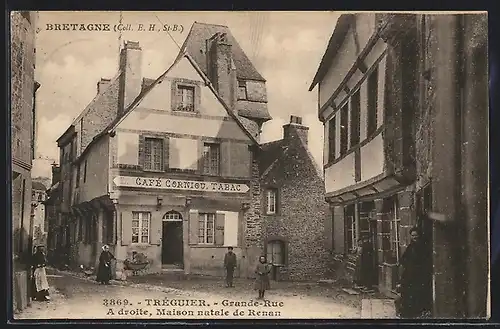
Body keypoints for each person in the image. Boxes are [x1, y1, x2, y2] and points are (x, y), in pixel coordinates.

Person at [397, 227, 429, 318]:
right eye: (412, 235)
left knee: (417, 293)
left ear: (419, 236)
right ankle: (407, 312)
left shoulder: (423, 247)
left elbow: (425, 261)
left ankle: (416, 312)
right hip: (409, 274)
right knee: (407, 293)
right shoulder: (410, 246)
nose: (414, 237)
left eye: (416, 235)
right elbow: (403, 259)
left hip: (419, 275)